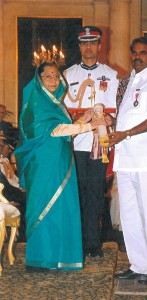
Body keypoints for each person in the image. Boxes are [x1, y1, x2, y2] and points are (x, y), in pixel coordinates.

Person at [14, 61, 104, 270]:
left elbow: (64, 130)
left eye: (56, 76)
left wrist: (82, 119)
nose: (54, 80)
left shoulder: (55, 103)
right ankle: (42, 259)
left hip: (61, 161)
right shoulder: (37, 102)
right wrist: (89, 125)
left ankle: (61, 257)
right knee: (45, 206)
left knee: (62, 207)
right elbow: (53, 131)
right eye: (48, 76)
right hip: (44, 164)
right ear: (39, 79)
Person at [106, 37, 147, 285]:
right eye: (134, 52)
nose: (137, 57)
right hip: (125, 159)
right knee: (130, 215)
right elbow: (125, 118)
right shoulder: (129, 81)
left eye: (142, 53)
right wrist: (113, 128)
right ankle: (138, 264)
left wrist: (126, 133)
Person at [64, 26, 119, 258]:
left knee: (95, 194)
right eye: (84, 42)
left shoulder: (112, 75)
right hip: (75, 145)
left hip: (99, 144)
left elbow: (118, 109)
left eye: (92, 42)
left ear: (99, 45)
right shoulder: (67, 75)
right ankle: (75, 243)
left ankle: (93, 244)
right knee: (75, 194)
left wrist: (111, 118)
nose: (88, 47)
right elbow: (62, 111)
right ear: (79, 46)